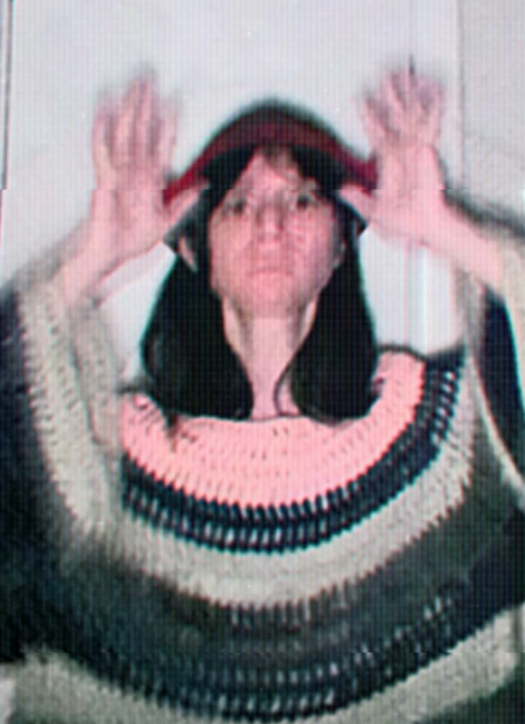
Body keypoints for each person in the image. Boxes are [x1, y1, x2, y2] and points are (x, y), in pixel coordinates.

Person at [0, 70, 524, 723]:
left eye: (301, 201)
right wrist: (86, 259)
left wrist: (448, 230)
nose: (270, 224)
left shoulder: (444, 440)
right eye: (237, 206)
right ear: (194, 250)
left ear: (341, 244)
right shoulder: (104, 464)